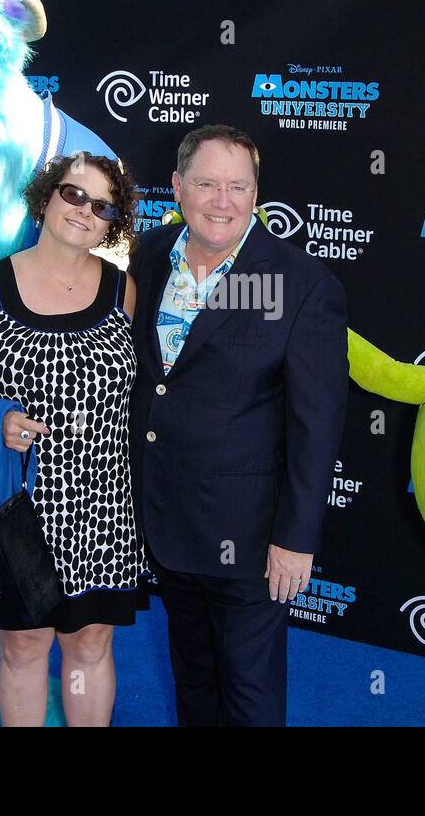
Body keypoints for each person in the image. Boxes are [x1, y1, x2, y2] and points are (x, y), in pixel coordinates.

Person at [128, 124, 348, 726]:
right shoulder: (146, 256)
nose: (221, 201)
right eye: (205, 184)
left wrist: (296, 538)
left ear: (256, 194)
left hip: (251, 537)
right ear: (176, 187)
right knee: (193, 679)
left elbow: (316, 425)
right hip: (165, 518)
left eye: (237, 186)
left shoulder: (301, 286)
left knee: (249, 698)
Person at [0, 153, 147, 727]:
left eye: (102, 206)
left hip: (104, 507)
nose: (84, 212)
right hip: (20, 503)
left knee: (91, 643)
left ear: (113, 224)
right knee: (23, 646)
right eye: (74, 195)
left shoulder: (124, 291)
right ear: (47, 197)